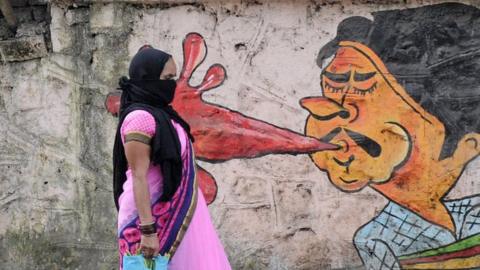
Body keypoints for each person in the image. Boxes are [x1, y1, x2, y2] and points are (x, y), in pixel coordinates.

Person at [300, 3, 480, 269]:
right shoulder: (375, 239)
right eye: (335, 85)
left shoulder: (473, 213)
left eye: (364, 86)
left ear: (467, 146)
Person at [112, 45, 231, 270]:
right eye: (167, 78)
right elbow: (139, 176)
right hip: (147, 218)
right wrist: (148, 230)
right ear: (148, 78)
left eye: (173, 78)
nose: (171, 85)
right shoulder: (139, 118)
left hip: (177, 213)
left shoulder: (166, 116)